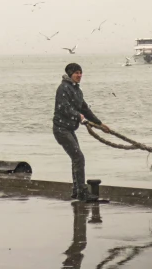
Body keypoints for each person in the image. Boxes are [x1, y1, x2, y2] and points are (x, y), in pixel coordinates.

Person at [53, 62, 110, 202]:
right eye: (76, 73)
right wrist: (78, 117)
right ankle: (82, 193)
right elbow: (63, 108)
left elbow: (84, 109)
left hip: (70, 129)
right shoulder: (63, 88)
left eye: (80, 72)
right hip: (61, 129)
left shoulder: (77, 91)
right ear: (69, 74)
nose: (79, 75)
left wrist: (99, 124)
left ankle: (76, 191)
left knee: (76, 158)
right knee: (79, 158)